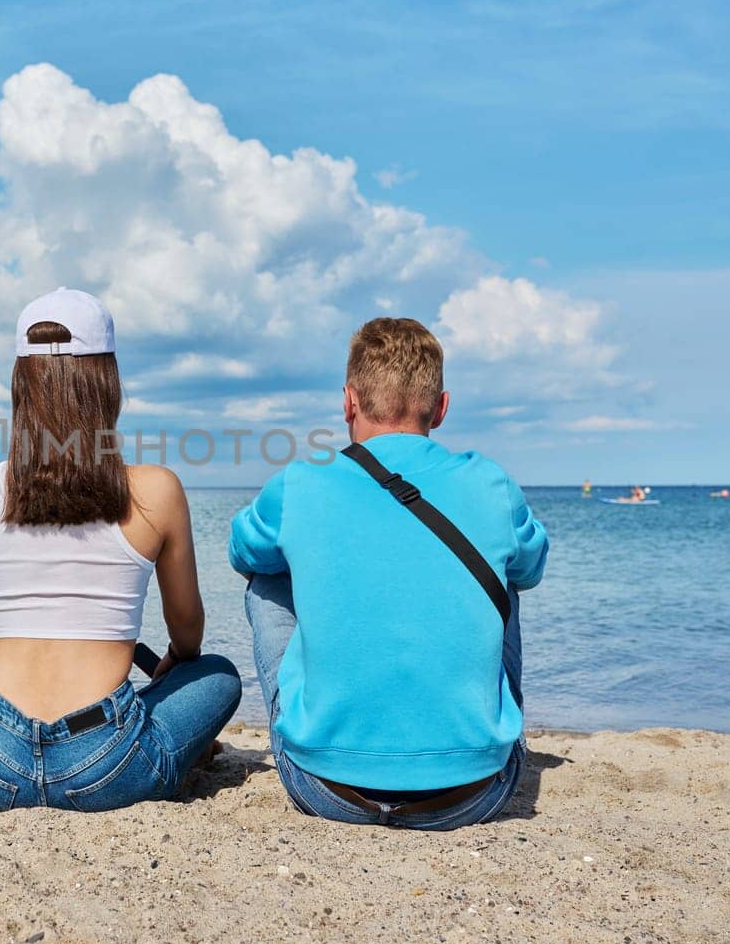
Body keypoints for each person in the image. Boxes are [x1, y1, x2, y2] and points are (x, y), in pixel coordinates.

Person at [229, 317, 548, 829]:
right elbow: (532, 568)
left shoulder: (301, 482)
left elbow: (243, 553)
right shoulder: (491, 482)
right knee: (504, 575)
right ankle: (473, 736)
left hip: (325, 789)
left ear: (348, 401)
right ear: (441, 408)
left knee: (268, 577)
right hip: (473, 795)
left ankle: (327, 733)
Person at [0, 288, 241, 812]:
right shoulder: (156, 491)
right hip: (106, 765)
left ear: (20, 386)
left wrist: (17, 641)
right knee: (218, 675)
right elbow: (188, 631)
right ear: (107, 385)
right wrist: (172, 664)